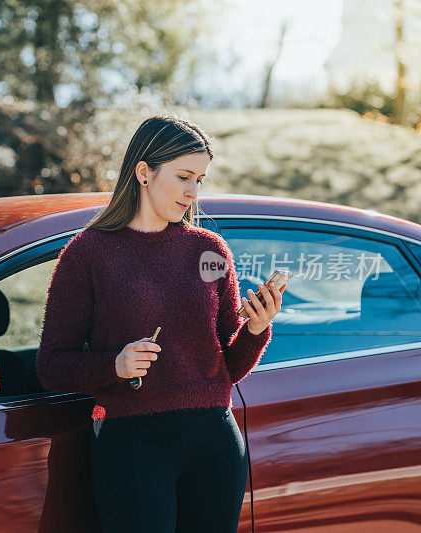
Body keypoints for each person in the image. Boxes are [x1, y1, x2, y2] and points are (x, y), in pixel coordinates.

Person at [35, 114, 284, 532]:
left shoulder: (209, 251)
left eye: (200, 180)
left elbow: (227, 369)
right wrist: (112, 366)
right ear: (144, 172)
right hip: (133, 445)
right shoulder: (87, 255)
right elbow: (51, 365)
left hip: (215, 443)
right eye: (184, 176)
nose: (192, 192)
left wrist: (256, 331)